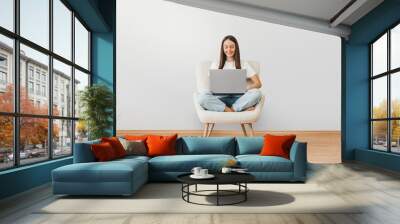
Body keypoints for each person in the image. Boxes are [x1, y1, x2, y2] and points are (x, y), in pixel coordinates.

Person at [198, 35, 262, 112]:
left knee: (257, 94)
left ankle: (230, 109)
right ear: (223, 49)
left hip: (238, 99)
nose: (229, 49)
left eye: (232, 47)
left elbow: (258, 83)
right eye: (226, 47)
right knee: (202, 97)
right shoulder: (216, 63)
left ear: (236, 48)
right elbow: (211, 84)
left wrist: (245, 88)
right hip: (220, 100)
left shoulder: (243, 63)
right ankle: (235, 110)